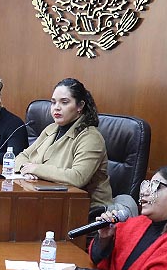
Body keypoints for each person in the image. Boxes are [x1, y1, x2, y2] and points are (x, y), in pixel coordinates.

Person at [17, 78, 113, 212]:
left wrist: (36, 169)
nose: (56, 107)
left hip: (84, 209)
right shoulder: (51, 129)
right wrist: (25, 169)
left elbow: (78, 177)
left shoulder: (90, 137)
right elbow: (22, 156)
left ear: (80, 106)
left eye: (64, 102)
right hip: (45, 199)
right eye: (53, 102)